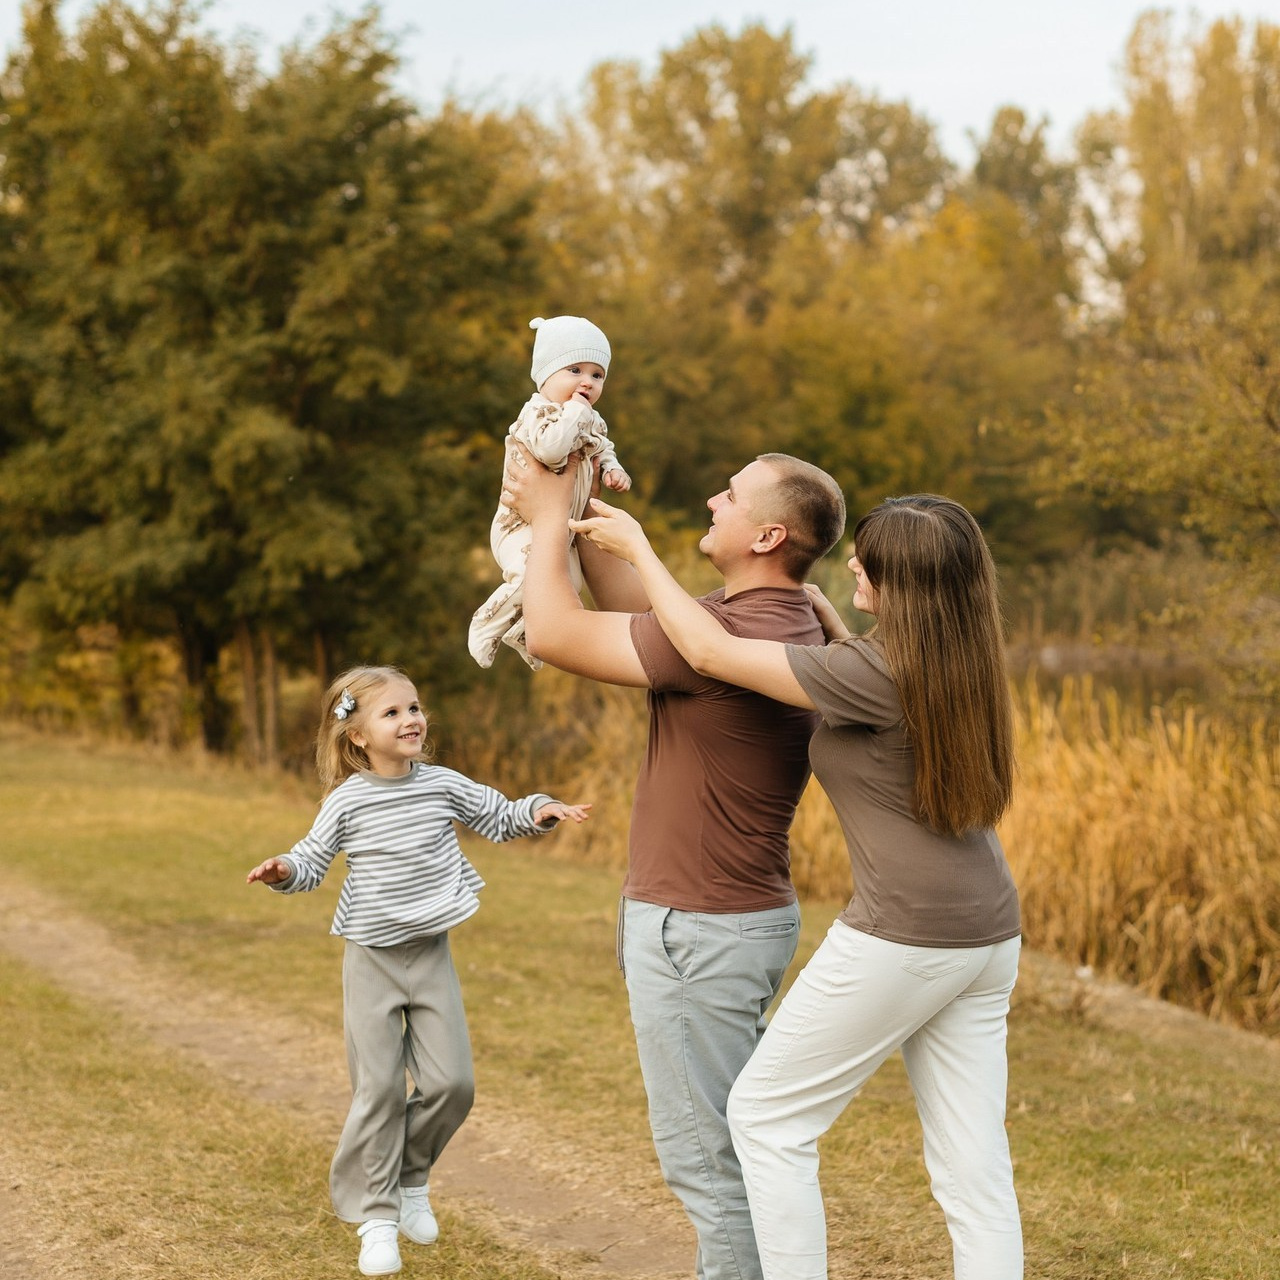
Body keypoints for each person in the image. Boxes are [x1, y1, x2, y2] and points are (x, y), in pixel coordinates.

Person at [570, 492, 1023, 1280]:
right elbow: (866, 687)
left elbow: (710, 655)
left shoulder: (872, 672)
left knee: (767, 1118)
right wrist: (835, 622)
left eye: (868, 559)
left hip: (904, 935)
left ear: (905, 584)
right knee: (972, 1167)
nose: (851, 561)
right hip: (986, 936)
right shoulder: (954, 667)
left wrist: (640, 549)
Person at [503, 448, 846, 1280]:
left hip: (701, 933)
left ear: (767, 533)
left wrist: (549, 520)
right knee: (735, 1153)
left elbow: (553, 633)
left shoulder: (743, 633)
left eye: (729, 495)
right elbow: (627, 609)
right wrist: (576, 498)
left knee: (710, 1164)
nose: (711, 497)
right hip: (718, 923)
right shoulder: (753, 617)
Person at [246, 665, 590, 1278]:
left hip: (431, 956)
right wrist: (283, 870)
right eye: (391, 713)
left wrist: (539, 810)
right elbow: (311, 858)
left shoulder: (439, 785)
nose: (410, 720)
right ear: (356, 736)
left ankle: (410, 1178)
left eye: (414, 707)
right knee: (377, 1090)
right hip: (372, 960)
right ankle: (377, 1219)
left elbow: (498, 813)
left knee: (453, 1083)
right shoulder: (347, 800)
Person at [468, 314, 631, 670]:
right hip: (520, 524)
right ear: (546, 374)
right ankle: (486, 623)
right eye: (575, 370)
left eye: (597, 374)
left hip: (561, 527)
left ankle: (526, 632)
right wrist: (575, 411)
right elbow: (551, 449)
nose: (587, 382)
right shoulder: (537, 413)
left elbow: (603, 446)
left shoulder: (591, 417)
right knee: (531, 576)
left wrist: (612, 468)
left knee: (566, 585)